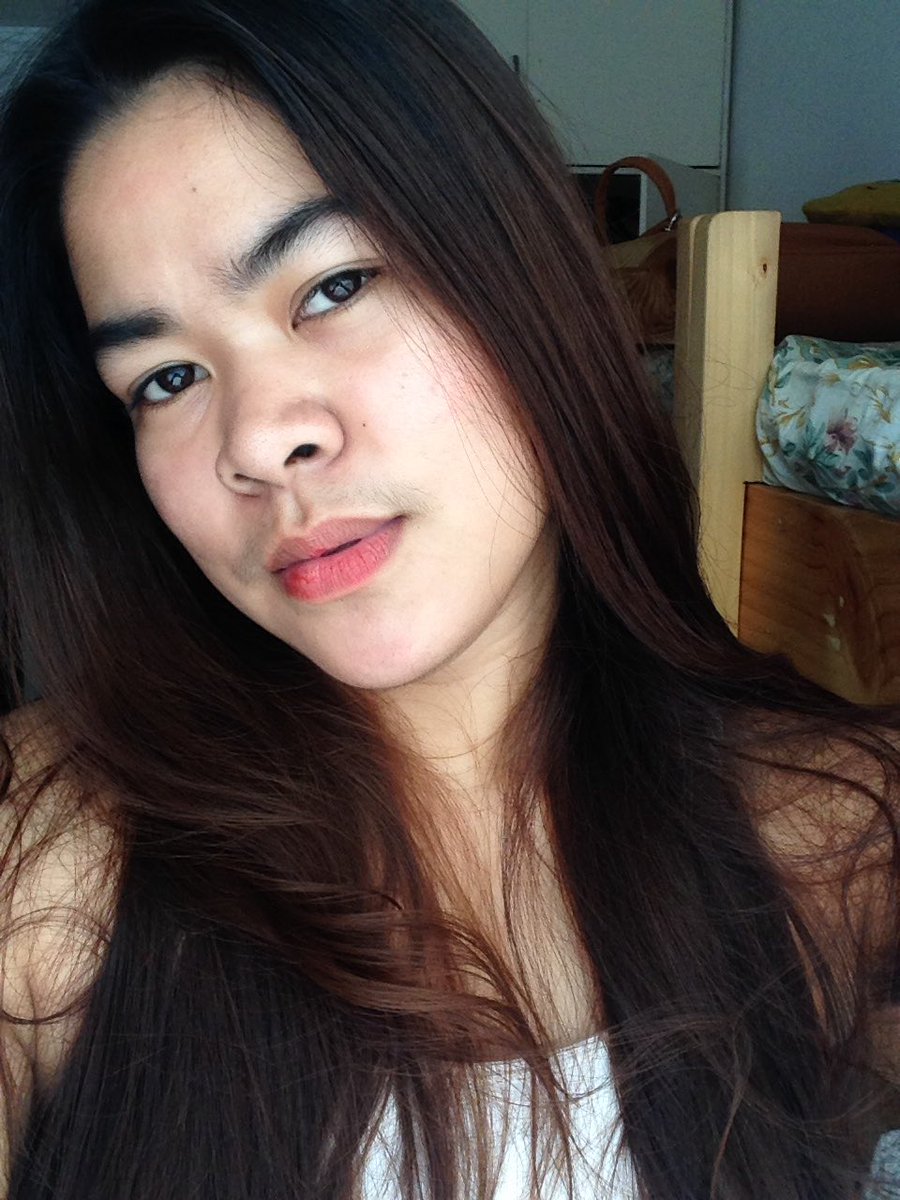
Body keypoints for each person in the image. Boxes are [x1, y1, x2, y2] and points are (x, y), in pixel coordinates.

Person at [0, 1, 897, 1196]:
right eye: (166, 377)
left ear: (519, 269)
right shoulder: (48, 852)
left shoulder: (836, 830)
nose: (258, 441)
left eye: (333, 286)